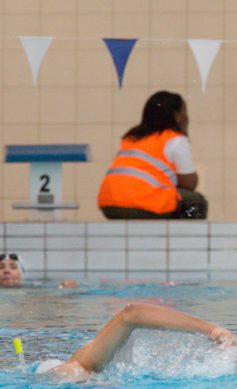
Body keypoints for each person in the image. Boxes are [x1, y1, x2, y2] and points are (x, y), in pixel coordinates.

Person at [35, 303, 237, 382]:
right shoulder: (82, 364)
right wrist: (212, 330)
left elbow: (133, 314)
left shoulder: (92, 366)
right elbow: (132, 314)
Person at [97, 91, 207, 220]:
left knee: (172, 198)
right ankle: (186, 239)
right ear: (176, 115)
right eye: (184, 111)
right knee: (195, 202)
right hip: (141, 205)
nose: (187, 117)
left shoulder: (132, 137)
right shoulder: (174, 139)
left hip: (110, 204)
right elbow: (189, 184)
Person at [1, 252, 77, 289]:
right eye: (1, 267)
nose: (7, 271)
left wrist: (62, 287)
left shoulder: (33, 288)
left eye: (13, 267)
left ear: (21, 273)